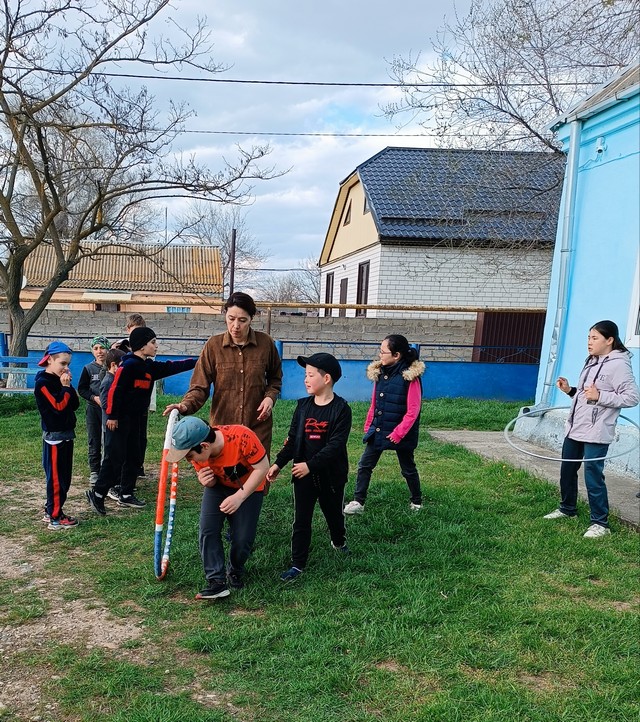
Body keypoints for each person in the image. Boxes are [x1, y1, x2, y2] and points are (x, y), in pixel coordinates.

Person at [86, 327, 196, 514]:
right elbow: (115, 391)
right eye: (153, 342)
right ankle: (97, 494)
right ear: (142, 345)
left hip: (135, 420)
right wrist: (112, 416)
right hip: (118, 421)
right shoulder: (127, 365)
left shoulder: (149, 367)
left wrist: (199, 361)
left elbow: (172, 366)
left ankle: (126, 493)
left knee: (134, 457)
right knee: (114, 458)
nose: (156, 346)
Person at [544, 320, 639, 538]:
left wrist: (601, 397)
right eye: (589, 337)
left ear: (609, 340)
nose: (589, 342)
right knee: (567, 470)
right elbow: (587, 394)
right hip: (576, 426)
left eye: (594, 338)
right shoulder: (592, 361)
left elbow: (632, 397)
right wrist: (570, 390)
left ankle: (600, 524)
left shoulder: (619, 365)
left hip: (597, 430)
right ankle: (567, 509)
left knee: (592, 475)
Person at [267, 353, 352, 582]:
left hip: (331, 476)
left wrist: (310, 466)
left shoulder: (342, 409)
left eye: (310, 375)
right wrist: (278, 464)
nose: (306, 379)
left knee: (333, 514)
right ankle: (298, 564)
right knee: (301, 519)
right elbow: (293, 439)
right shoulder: (303, 407)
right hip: (302, 475)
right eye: (305, 375)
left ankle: (339, 540)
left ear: (326, 379)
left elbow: (335, 446)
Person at [164, 292, 283, 456]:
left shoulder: (266, 344)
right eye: (231, 318)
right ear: (225, 315)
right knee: (222, 477)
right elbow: (200, 386)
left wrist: (270, 397)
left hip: (257, 427)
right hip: (223, 429)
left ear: (251, 319)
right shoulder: (213, 346)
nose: (236, 325)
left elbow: (275, 378)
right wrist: (185, 405)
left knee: (256, 476)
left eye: (242, 320)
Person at [166, 416, 270, 600]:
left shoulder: (242, 437)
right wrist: (205, 479)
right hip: (218, 487)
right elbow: (205, 472)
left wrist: (239, 497)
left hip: (249, 488)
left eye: (190, 455)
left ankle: (235, 570)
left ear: (204, 446)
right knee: (208, 529)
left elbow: (262, 469)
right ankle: (216, 582)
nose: (188, 460)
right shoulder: (198, 451)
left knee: (242, 538)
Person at [344, 334, 425, 516]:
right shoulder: (380, 374)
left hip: (401, 433)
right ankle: (358, 501)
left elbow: (413, 410)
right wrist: (369, 424)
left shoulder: (410, 377)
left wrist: (399, 433)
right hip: (379, 428)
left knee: (408, 468)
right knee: (365, 465)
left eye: (383, 351)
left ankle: (416, 501)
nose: (380, 355)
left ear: (396, 355)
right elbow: (374, 403)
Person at [34, 341, 80, 530]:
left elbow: (74, 404)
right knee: (56, 479)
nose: (66, 368)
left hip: (67, 434)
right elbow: (59, 406)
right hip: (55, 438)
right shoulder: (43, 383)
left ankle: (52, 509)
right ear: (50, 360)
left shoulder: (61, 380)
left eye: (68, 364)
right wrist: (66, 389)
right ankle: (54, 516)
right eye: (62, 363)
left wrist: (68, 388)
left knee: (65, 478)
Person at [77, 335, 110, 486]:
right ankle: (95, 471)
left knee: (108, 440)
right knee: (94, 439)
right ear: (92, 351)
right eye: (96, 348)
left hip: (109, 410)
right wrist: (93, 397)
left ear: (108, 349)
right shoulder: (88, 369)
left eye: (102, 348)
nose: (99, 351)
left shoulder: (113, 366)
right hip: (93, 410)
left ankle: (107, 470)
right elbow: (82, 389)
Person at [98, 347, 125, 500]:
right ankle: (109, 486)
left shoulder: (115, 380)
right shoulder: (108, 381)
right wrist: (112, 416)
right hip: (110, 425)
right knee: (111, 456)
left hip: (116, 424)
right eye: (122, 366)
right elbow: (105, 403)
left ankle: (116, 483)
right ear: (113, 365)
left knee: (118, 455)